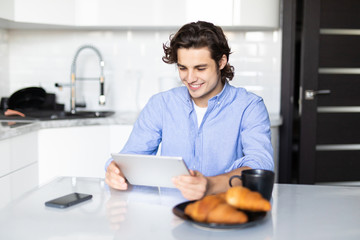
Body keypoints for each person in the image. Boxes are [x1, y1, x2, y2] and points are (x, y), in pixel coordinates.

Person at [105, 21, 273, 200]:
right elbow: (131, 157)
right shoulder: (161, 104)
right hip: (171, 216)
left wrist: (210, 185)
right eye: (182, 68)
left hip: (225, 214)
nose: (190, 78)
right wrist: (115, 170)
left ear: (221, 62)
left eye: (200, 68)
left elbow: (260, 166)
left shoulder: (249, 106)